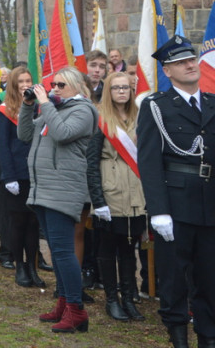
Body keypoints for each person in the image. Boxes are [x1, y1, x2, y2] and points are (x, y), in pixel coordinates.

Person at [136, 36, 215, 348]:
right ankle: (178, 336)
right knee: (173, 277)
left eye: (192, 59)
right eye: (182, 62)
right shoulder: (156, 107)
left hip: (210, 205)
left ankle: (208, 338)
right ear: (167, 71)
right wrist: (159, 210)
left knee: (210, 278)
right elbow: (150, 161)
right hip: (176, 204)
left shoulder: (211, 103)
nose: (191, 64)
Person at [19, 66, 96, 334]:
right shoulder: (54, 109)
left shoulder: (83, 110)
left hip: (63, 189)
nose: (54, 89)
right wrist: (28, 106)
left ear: (77, 87)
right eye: (53, 85)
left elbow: (63, 134)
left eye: (60, 85)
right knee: (56, 250)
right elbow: (25, 135)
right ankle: (64, 303)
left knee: (63, 252)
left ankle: (77, 311)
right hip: (43, 189)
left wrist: (44, 103)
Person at [87, 70, 146, 322]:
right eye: (116, 87)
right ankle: (112, 299)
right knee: (109, 248)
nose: (122, 91)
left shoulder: (140, 117)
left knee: (129, 248)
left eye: (126, 87)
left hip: (136, 193)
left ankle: (128, 297)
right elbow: (91, 163)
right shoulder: (100, 119)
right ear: (108, 91)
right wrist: (98, 200)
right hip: (111, 193)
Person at [0, 66, 44, 288]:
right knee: (17, 222)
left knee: (34, 223)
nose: (25, 84)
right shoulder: (4, 110)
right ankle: (20, 267)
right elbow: (3, 146)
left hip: (35, 172)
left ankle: (32, 265)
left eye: (28, 80)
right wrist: (9, 176)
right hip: (15, 174)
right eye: (20, 81)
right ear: (13, 85)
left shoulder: (39, 108)